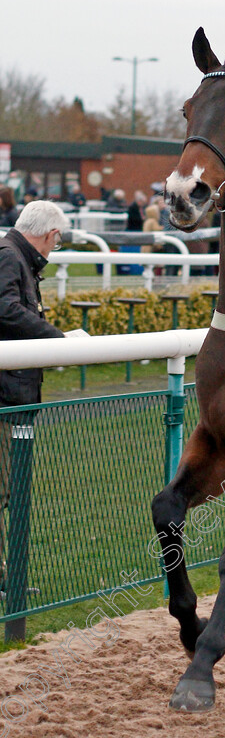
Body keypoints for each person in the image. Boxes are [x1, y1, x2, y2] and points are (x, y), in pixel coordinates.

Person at [0, 201, 68, 576]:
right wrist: (56, 338)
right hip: (5, 396)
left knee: (7, 491)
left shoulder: (14, 257)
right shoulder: (10, 257)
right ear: (49, 234)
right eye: (56, 240)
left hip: (13, 393)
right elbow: (6, 310)